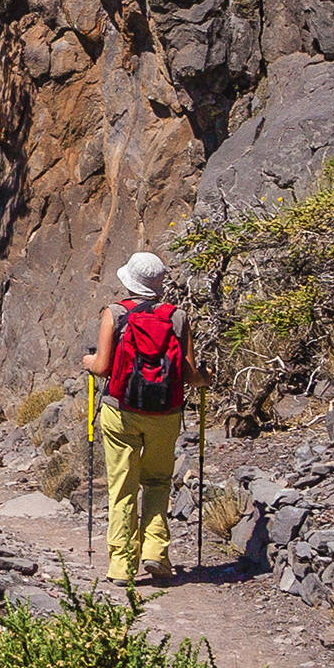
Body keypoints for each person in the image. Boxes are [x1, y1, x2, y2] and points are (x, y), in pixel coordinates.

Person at [89, 250, 199, 590]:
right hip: (164, 414)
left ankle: (121, 566)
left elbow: (103, 367)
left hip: (120, 411)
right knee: (158, 481)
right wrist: (206, 377)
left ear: (129, 280)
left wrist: (87, 361)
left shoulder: (115, 314)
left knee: (122, 487)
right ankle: (155, 551)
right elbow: (191, 376)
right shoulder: (177, 317)